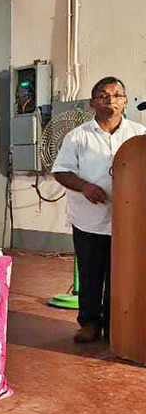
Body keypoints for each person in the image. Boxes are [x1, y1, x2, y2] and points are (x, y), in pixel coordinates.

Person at [52, 76, 146, 343]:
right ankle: (90, 323)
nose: (110, 100)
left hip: (129, 220)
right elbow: (61, 171)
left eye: (117, 95)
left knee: (122, 274)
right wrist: (84, 187)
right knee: (91, 273)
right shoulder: (78, 136)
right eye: (103, 95)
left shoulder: (139, 134)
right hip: (89, 219)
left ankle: (117, 324)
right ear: (93, 102)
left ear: (125, 101)